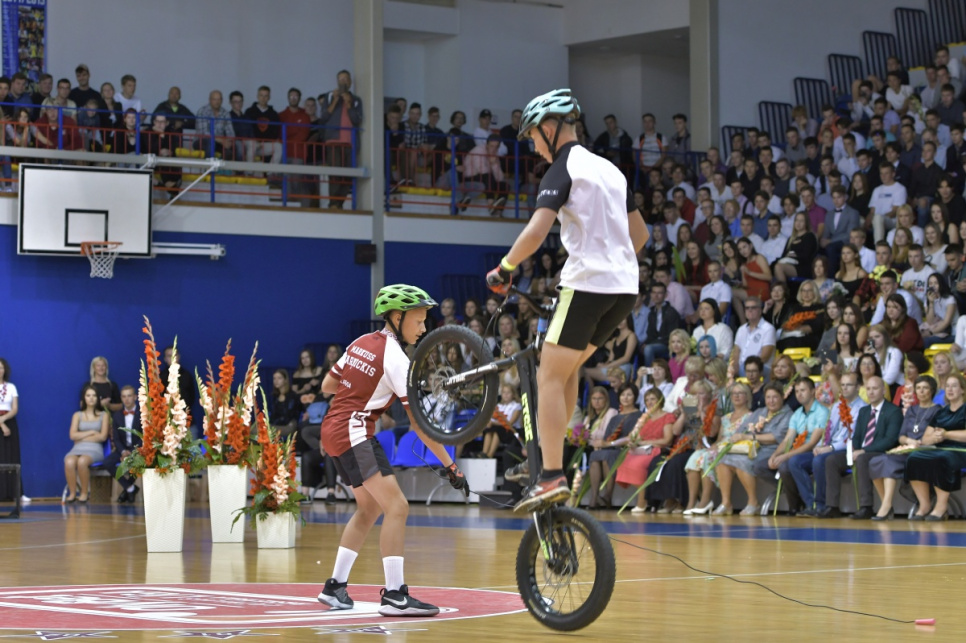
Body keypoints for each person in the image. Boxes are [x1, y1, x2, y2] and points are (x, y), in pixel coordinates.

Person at [486, 89, 647, 511]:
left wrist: (505, 267)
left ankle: (551, 476)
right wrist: (613, 261)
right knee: (568, 367)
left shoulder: (563, 168)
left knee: (548, 376)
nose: (534, 147)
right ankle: (553, 463)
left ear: (549, 127)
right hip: (624, 290)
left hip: (587, 285)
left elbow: (537, 232)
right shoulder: (612, 170)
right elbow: (641, 235)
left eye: (533, 137)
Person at [316, 284, 467, 616]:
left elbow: (328, 385)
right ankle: (396, 596)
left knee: (369, 508)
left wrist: (364, 391)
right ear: (398, 318)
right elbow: (420, 426)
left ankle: (335, 587)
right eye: (419, 320)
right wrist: (451, 466)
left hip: (332, 430)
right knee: (397, 506)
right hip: (354, 432)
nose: (423, 328)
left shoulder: (360, 342)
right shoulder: (397, 359)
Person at [819, 376, 901, 519]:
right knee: (832, 460)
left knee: (862, 459)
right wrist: (854, 449)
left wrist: (863, 451)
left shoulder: (893, 411)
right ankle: (832, 506)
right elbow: (857, 436)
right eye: (868, 389)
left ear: (883, 390)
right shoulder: (864, 411)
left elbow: (890, 440)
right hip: (861, 451)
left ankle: (866, 506)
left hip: (881, 452)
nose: (871, 392)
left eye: (875, 388)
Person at [868, 375, 939, 520]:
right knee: (876, 461)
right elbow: (901, 436)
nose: (921, 391)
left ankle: (888, 507)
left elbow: (936, 436)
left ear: (932, 390)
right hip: (907, 449)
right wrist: (909, 440)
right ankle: (886, 503)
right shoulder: (912, 410)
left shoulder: (938, 410)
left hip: (926, 451)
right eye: (918, 388)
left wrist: (919, 443)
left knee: (895, 462)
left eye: (925, 388)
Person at [904, 373, 966, 520]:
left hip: (960, 450)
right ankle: (924, 504)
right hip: (940, 449)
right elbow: (925, 438)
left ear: (962, 390)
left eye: (954, 386)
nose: (950, 389)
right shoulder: (941, 412)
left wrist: (947, 434)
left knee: (942, 458)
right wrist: (935, 438)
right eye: (947, 386)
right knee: (913, 458)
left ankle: (941, 506)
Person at [772, 378, 830, 515]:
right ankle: (797, 505)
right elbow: (788, 440)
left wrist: (786, 455)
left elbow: (812, 443)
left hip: (818, 451)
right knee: (783, 466)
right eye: (797, 391)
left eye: (803, 390)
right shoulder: (797, 414)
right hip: (799, 452)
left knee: (793, 461)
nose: (799, 394)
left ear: (813, 391)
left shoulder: (822, 411)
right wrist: (775, 455)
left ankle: (811, 503)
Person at [63, 385, 109, 504]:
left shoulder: (104, 415)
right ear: (84, 398)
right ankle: (72, 493)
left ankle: (84, 493)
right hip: (77, 448)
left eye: (94, 395)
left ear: (98, 398)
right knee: (69, 461)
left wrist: (81, 437)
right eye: (88, 395)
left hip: (95, 449)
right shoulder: (77, 415)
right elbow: (72, 435)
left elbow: (102, 437)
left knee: (82, 461)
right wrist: (92, 432)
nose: (91, 398)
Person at [105, 385, 142, 503]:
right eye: (124, 396)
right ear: (121, 398)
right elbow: (116, 438)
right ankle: (130, 488)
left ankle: (128, 490)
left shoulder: (143, 413)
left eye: (129, 396)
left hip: (138, 449)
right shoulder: (117, 415)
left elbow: (145, 437)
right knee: (107, 463)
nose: (127, 399)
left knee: (141, 462)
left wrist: (132, 452)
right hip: (122, 448)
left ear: (135, 397)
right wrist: (123, 451)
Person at [0, 358, 26, 505]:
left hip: (9, 421)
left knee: (12, 456)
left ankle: (17, 493)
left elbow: (15, 408)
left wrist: (3, 420)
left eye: (1, 367)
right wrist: (1, 424)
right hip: (2, 423)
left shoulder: (11, 387)